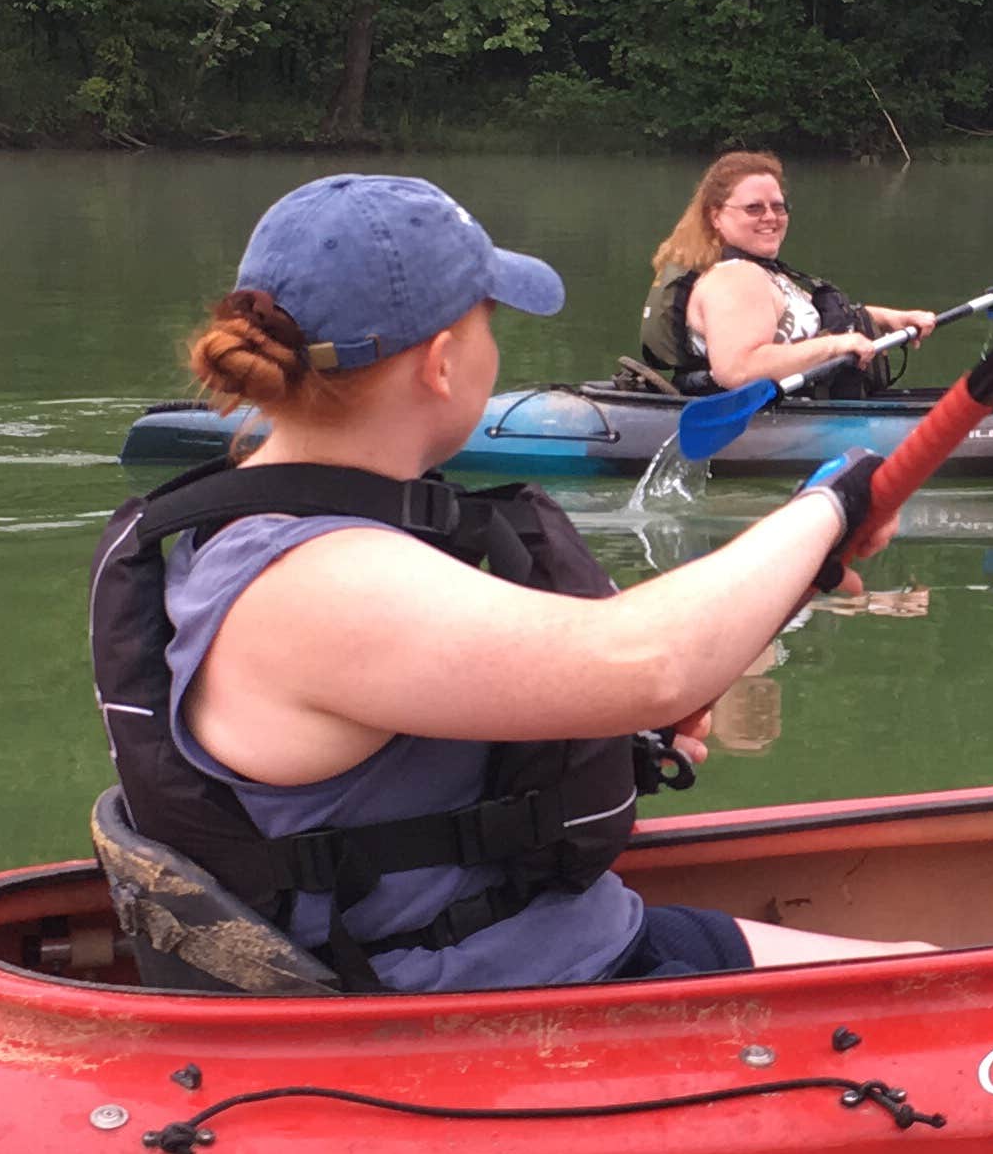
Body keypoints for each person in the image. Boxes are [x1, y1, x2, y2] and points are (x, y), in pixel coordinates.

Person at [92, 174, 924, 989]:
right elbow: (648, 663)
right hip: (491, 1004)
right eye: (492, 323)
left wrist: (777, 593)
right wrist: (827, 507)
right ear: (444, 365)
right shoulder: (314, 579)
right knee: (931, 992)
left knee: (921, 966)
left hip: (560, 939)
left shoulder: (276, 522)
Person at [634, 151, 939, 399]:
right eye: (754, 208)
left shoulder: (764, 272)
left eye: (778, 207)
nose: (770, 217)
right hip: (776, 421)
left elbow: (809, 319)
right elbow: (738, 370)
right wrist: (835, 345)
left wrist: (891, 318)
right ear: (716, 216)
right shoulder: (735, 280)